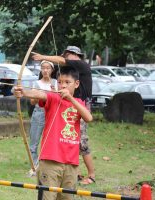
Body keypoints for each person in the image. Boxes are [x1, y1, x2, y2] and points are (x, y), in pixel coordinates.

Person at [14, 66, 93, 200]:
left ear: (77, 84)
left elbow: (88, 118)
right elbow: (40, 94)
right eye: (60, 82)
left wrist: (70, 99)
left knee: (67, 197)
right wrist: (24, 92)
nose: (63, 85)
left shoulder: (79, 102)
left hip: (71, 162)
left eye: (67, 82)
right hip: (50, 161)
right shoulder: (54, 97)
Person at [32, 46, 96, 185]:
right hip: (68, 107)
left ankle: (91, 175)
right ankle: (74, 173)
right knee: (67, 139)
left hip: (79, 107)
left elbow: (61, 61)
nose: (65, 59)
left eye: (67, 56)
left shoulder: (81, 64)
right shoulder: (72, 71)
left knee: (81, 142)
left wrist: (43, 56)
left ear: (74, 55)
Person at [28, 61, 57, 176]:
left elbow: (60, 98)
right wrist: (38, 95)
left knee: (50, 140)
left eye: (48, 68)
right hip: (39, 113)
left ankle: (47, 164)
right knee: (34, 140)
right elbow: (32, 101)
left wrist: (54, 92)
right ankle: (34, 165)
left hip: (52, 113)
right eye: (43, 68)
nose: (45, 70)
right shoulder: (36, 83)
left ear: (52, 70)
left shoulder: (55, 83)